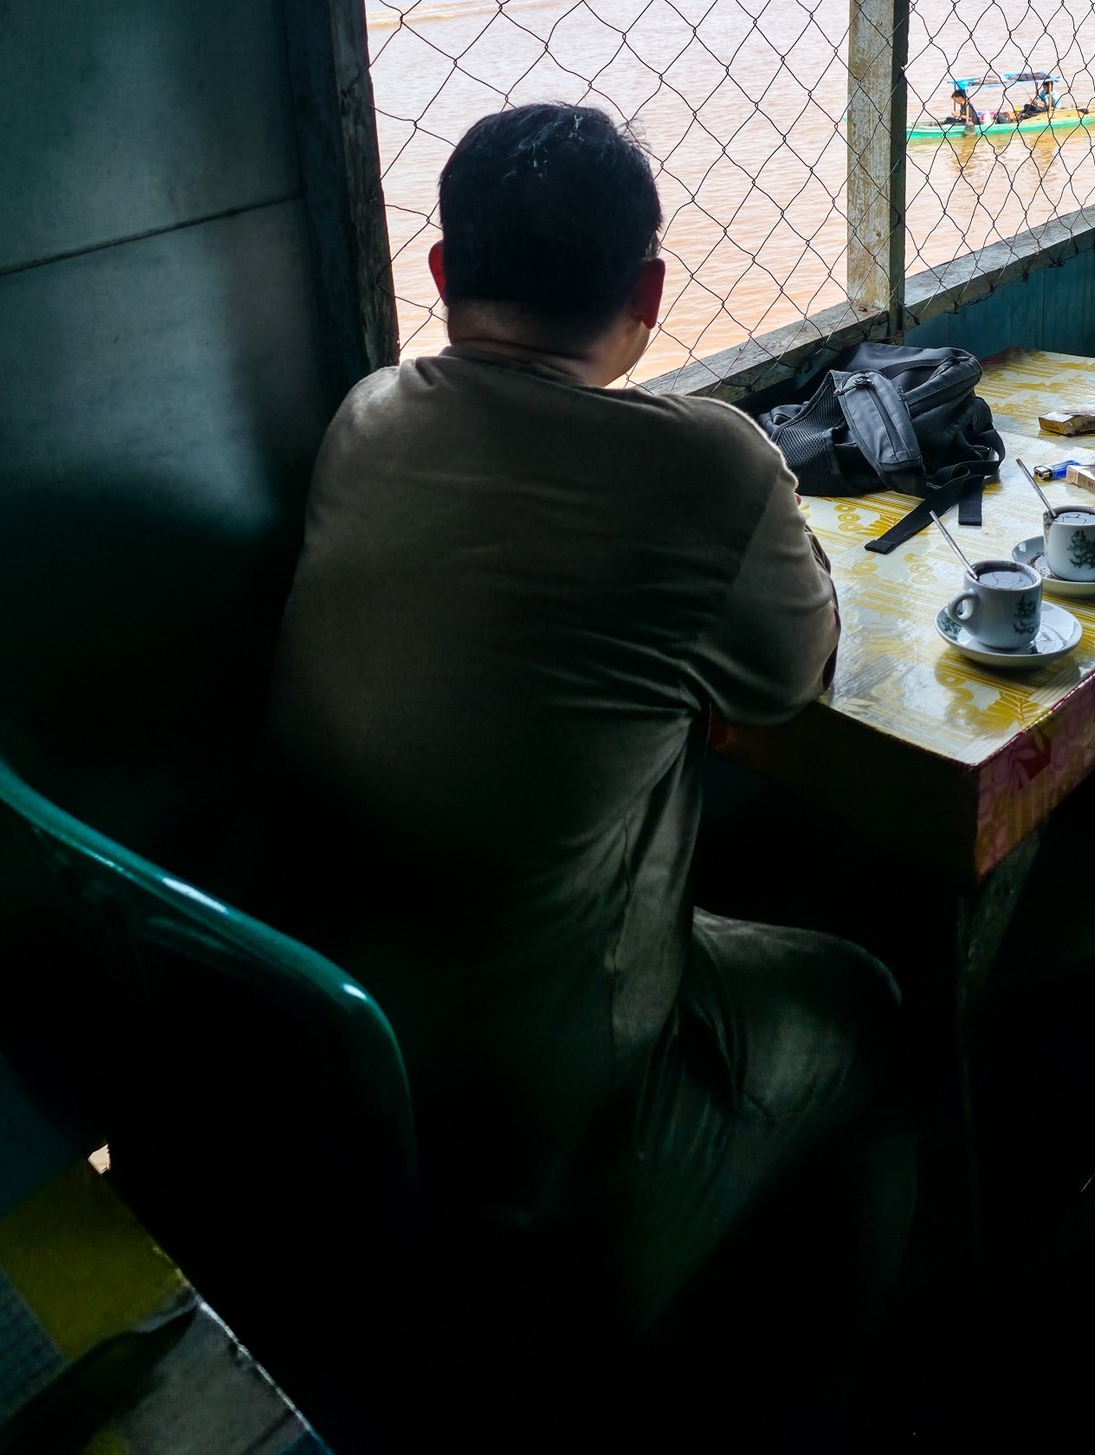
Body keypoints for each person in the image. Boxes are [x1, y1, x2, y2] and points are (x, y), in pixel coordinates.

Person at [266, 102, 913, 1388]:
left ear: (440, 271)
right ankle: (852, 1380)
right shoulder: (710, 465)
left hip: (317, 1071)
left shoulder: (365, 417)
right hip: (547, 1132)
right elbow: (793, 677)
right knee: (871, 1000)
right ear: (650, 294)